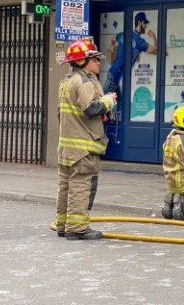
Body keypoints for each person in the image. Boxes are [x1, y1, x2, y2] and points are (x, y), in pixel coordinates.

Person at [55, 39, 117, 240]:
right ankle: (78, 228)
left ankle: (63, 225)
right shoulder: (85, 82)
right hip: (83, 148)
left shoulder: (66, 81)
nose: (99, 63)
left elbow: (62, 113)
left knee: (66, 186)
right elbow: (90, 109)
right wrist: (107, 101)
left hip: (66, 146)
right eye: (95, 59)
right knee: (81, 186)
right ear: (83, 61)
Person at [103, 11, 158, 94]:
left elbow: (113, 38)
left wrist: (113, 46)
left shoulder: (123, 34)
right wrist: (153, 36)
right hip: (116, 76)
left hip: (114, 73)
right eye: (144, 23)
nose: (146, 26)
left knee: (118, 104)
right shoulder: (139, 42)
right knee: (105, 103)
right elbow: (155, 50)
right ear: (139, 23)